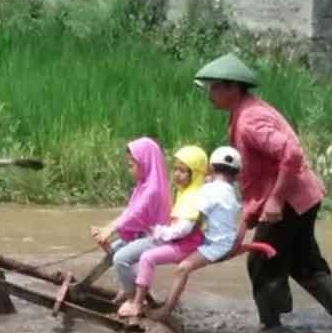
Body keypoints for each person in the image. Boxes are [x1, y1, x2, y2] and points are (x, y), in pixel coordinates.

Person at [194, 53, 332, 330]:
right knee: (301, 259)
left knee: (262, 261)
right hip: (302, 197)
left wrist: (274, 200)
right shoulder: (247, 111)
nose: (210, 94)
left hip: (290, 201)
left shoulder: (249, 120)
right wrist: (247, 220)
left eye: (214, 87)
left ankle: (272, 326)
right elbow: (257, 174)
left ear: (232, 88)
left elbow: (292, 152)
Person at [118, 147, 241, 320]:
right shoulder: (220, 189)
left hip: (208, 244)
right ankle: (134, 295)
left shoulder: (203, 192)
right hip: (206, 239)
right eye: (175, 169)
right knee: (137, 253)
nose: (176, 174)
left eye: (182, 170)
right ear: (236, 176)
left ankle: (148, 306)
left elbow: (186, 226)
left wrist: (161, 232)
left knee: (177, 267)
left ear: (210, 170)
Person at [90, 137, 171, 304]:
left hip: (157, 237)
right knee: (113, 250)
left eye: (131, 165)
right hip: (144, 235)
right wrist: (106, 228)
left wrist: (110, 229)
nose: (129, 170)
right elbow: (129, 211)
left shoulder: (153, 190)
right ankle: (128, 288)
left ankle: (132, 298)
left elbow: (135, 214)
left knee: (120, 258)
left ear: (145, 163)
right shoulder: (143, 185)